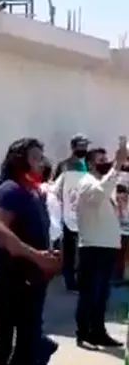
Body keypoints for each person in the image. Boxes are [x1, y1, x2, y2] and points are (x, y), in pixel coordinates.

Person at [0, 137, 58, 365]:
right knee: (9, 344)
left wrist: (49, 259)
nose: (41, 161)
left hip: (33, 281)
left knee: (27, 343)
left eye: (42, 156)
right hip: (12, 280)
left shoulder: (33, 192)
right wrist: (33, 254)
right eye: (35, 156)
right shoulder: (10, 190)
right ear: (19, 159)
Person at [74, 141, 127, 348]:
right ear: (90, 164)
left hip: (107, 246)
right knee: (90, 293)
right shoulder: (86, 182)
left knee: (102, 294)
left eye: (107, 160)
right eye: (101, 161)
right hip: (92, 246)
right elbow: (98, 195)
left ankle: (98, 331)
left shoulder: (106, 184)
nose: (106, 163)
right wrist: (117, 166)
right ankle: (83, 332)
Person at [54, 133, 90, 290]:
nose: (84, 148)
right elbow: (55, 188)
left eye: (85, 145)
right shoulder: (64, 166)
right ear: (73, 147)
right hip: (68, 212)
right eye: (80, 145)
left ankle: (84, 279)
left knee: (86, 248)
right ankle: (70, 280)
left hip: (87, 212)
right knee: (69, 247)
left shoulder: (90, 165)